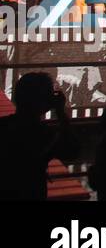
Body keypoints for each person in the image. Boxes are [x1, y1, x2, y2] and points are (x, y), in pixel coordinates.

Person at [0, 72, 77, 200]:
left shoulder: (3, 126)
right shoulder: (45, 135)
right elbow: (72, 151)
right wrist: (60, 113)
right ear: (47, 102)